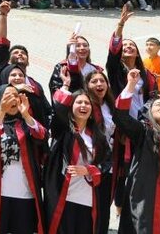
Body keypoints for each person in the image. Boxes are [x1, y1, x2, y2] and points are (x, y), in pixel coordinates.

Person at [0, 84, 48, 234]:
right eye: (7, 96)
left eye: (16, 96)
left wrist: (27, 115)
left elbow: (42, 136)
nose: (12, 100)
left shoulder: (26, 123)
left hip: (25, 192)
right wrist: (1, 111)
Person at [46, 80, 111, 234]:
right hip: (63, 196)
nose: (83, 106)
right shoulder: (62, 130)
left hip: (87, 199)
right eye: (78, 102)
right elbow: (59, 108)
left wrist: (88, 170)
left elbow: (107, 164)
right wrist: (66, 86)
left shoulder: (98, 137)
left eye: (87, 103)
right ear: (71, 107)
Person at [113, 68, 160, 234]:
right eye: (158, 104)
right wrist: (131, 84)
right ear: (149, 112)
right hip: (148, 202)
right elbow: (121, 117)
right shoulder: (144, 133)